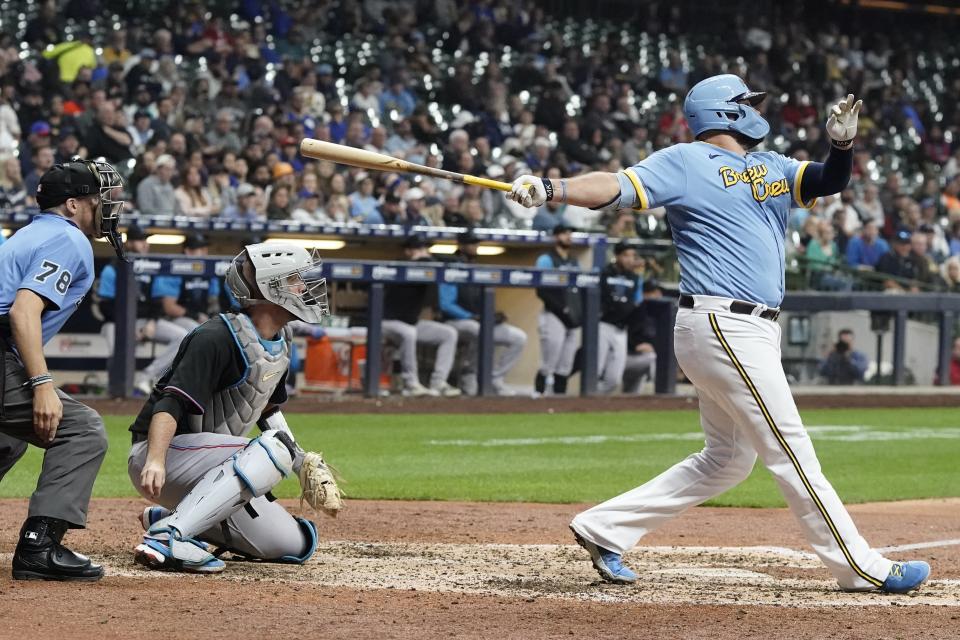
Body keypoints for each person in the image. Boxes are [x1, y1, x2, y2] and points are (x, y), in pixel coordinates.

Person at [509, 75, 929, 593]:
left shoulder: (771, 165)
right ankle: (861, 567)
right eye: (748, 102)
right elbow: (616, 186)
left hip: (746, 329)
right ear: (725, 113)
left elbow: (828, 180)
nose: (757, 109)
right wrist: (553, 189)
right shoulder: (686, 160)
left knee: (727, 461)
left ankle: (605, 528)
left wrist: (841, 145)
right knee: (791, 450)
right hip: (722, 322)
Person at [129, 242, 342, 573]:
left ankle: (181, 517)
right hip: (164, 455)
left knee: (292, 544)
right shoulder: (216, 336)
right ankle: (169, 535)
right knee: (275, 450)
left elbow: (268, 411)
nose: (304, 287)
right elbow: (170, 401)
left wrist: (302, 464)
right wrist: (155, 460)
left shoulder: (281, 340)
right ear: (272, 286)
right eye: (295, 279)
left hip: (210, 469)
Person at [0, 157, 125, 581]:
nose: (108, 207)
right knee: (80, 429)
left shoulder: (29, 233)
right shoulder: (70, 241)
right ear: (73, 205)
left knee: (9, 437)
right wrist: (41, 384)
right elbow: (23, 312)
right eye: (99, 199)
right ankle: (41, 546)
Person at [96, 224, 192, 395]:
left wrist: (152, 322)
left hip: (143, 321)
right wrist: (126, 327)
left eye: (145, 241)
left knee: (182, 337)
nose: (145, 245)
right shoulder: (112, 268)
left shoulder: (152, 267)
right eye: (140, 241)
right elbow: (105, 306)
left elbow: (156, 301)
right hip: (117, 323)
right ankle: (115, 391)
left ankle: (146, 377)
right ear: (130, 243)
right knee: (117, 351)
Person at [439, 230, 527, 396]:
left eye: (476, 243)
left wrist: (493, 315)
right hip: (455, 321)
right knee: (479, 330)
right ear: (461, 245)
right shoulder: (451, 266)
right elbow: (446, 304)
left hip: (478, 320)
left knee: (518, 337)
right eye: (471, 244)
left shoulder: (478, 267)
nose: (475, 247)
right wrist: (470, 316)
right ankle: (469, 373)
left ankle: (496, 378)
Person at [381, 236, 461, 397]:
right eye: (418, 249)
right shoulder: (399, 265)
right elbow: (421, 264)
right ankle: (412, 384)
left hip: (411, 322)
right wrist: (422, 258)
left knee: (449, 333)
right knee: (408, 334)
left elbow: (438, 265)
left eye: (424, 249)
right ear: (408, 251)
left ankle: (438, 383)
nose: (423, 253)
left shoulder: (428, 265)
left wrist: (426, 258)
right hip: (387, 323)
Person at [533, 224, 581, 396]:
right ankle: (538, 394)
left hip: (571, 316)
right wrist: (562, 309)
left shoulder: (574, 261)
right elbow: (541, 289)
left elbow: (579, 289)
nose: (568, 237)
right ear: (556, 236)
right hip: (553, 313)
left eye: (570, 233)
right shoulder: (546, 259)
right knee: (549, 359)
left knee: (566, 363)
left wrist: (575, 313)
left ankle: (560, 398)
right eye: (564, 233)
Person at [597, 240, 642, 394]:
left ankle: (595, 403)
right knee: (595, 370)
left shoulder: (634, 278)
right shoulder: (605, 273)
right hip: (603, 325)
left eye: (632, 256)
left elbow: (637, 302)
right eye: (625, 255)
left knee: (614, 379)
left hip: (621, 329)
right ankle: (586, 404)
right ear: (617, 256)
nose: (630, 259)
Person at [151, 233, 220, 332]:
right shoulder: (174, 269)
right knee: (197, 330)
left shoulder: (209, 271)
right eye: (200, 249)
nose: (205, 252)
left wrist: (214, 318)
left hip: (202, 318)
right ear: (188, 251)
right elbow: (169, 307)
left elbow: (213, 302)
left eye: (205, 249)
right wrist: (196, 316)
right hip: (175, 318)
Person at [622, 279, 662, 394]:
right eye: (651, 292)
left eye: (656, 292)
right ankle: (660, 396)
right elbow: (627, 335)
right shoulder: (636, 311)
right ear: (644, 294)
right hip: (629, 356)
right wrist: (636, 345)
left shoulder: (663, 312)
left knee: (632, 394)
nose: (656, 295)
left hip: (640, 361)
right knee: (652, 357)